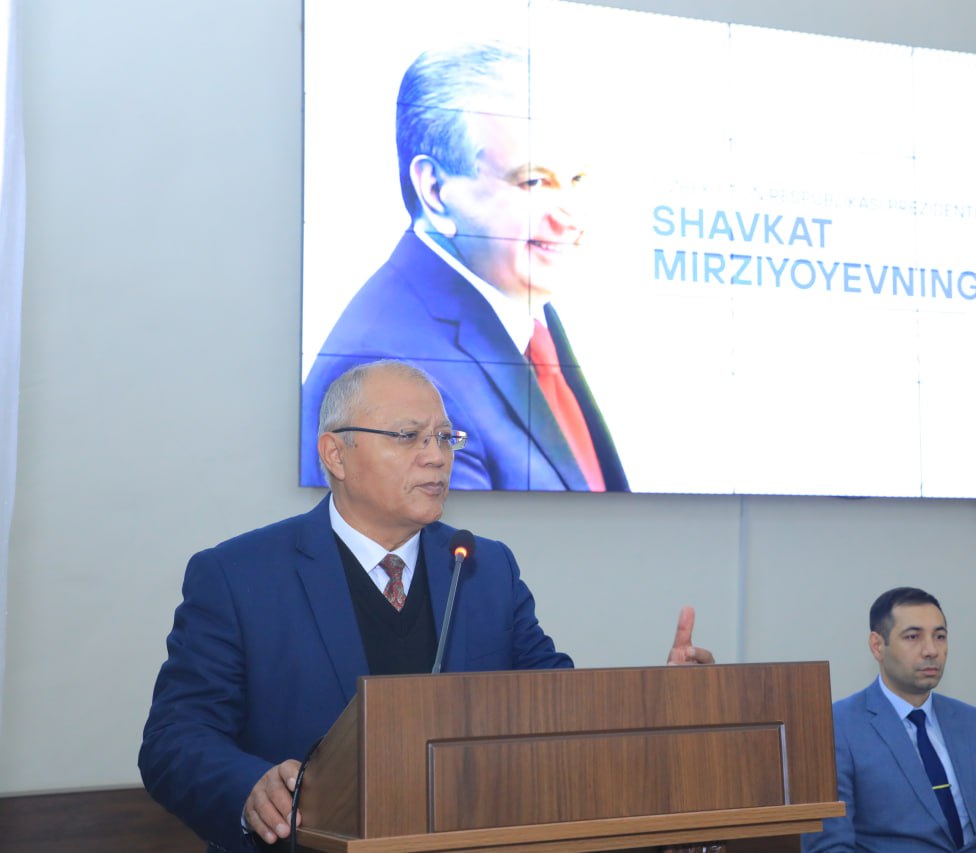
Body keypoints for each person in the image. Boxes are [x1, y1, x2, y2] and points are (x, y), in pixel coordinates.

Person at [141, 361, 710, 852]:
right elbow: (175, 740)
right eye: (408, 436)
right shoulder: (240, 576)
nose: (436, 457)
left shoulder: (485, 567)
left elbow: (556, 708)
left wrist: (663, 705)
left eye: (444, 438)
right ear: (336, 454)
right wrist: (249, 787)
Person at [300, 41, 626, 493]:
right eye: (534, 181)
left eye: (576, 180)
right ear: (434, 190)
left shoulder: (520, 307)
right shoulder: (388, 369)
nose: (570, 217)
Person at [802, 587, 976, 852]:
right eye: (913, 637)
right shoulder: (836, 728)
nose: (931, 650)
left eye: (940, 636)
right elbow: (829, 847)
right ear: (877, 646)